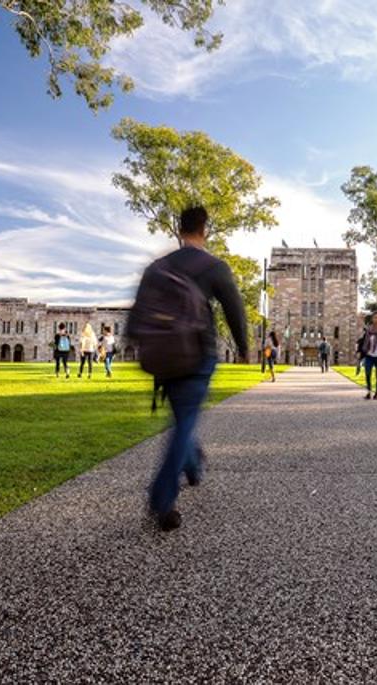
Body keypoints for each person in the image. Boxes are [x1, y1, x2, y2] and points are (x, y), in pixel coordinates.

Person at [140, 206, 248, 531]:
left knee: (183, 419)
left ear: (179, 229)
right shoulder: (213, 266)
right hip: (198, 354)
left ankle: (193, 463)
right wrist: (243, 347)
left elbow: (140, 314)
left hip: (164, 358)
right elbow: (234, 308)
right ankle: (162, 498)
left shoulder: (158, 267)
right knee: (185, 420)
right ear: (205, 230)